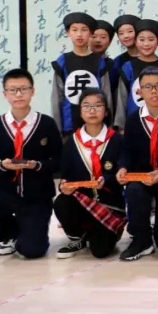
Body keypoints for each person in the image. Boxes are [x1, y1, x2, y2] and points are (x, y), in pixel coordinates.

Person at [0, 69, 63, 259]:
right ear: (5, 94)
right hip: (4, 190)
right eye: (12, 90)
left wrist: (37, 165)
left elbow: (59, 162)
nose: (18, 94)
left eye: (24, 89)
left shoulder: (46, 123)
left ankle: (28, 234)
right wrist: (3, 166)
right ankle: (11, 234)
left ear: (32, 91)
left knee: (32, 251)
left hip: (37, 194)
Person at [116, 66, 158, 261]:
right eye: (148, 86)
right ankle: (141, 238)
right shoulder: (133, 119)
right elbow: (127, 150)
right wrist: (123, 167)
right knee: (134, 191)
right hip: (141, 178)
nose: (154, 91)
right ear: (139, 91)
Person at [54, 88, 126, 259]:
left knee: (100, 252)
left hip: (110, 205)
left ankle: (99, 233)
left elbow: (122, 175)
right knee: (61, 201)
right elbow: (66, 175)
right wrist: (64, 186)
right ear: (80, 112)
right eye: (86, 106)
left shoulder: (117, 140)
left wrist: (107, 180)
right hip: (82, 203)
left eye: (98, 106)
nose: (92, 111)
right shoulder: (71, 142)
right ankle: (78, 236)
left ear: (106, 111)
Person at [51, 12, 113, 137]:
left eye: (84, 30)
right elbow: (57, 96)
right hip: (69, 125)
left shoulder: (100, 62)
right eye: (74, 30)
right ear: (68, 33)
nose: (79, 34)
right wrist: (57, 129)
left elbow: (106, 94)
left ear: (91, 33)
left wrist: (109, 126)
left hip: (97, 127)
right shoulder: (62, 61)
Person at [114, 19, 158, 130]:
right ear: (136, 41)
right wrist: (121, 127)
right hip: (134, 121)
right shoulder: (128, 67)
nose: (146, 44)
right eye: (141, 40)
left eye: (151, 39)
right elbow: (122, 98)